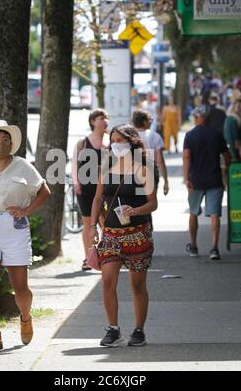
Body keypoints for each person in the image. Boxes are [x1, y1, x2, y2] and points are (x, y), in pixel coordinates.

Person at [0, 120, 51, 351]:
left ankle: (25, 317)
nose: (1, 142)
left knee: (20, 285)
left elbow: (45, 191)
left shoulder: (23, 166)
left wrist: (27, 211)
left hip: (15, 227)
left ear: (12, 143)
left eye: (6, 139)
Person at [89, 124, 157, 347]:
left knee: (137, 285)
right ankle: (113, 329)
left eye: (121, 140)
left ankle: (139, 330)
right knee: (107, 280)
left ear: (132, 141)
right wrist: (92, 225)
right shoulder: (105, 167)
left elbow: (152, 203)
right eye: (114, 140)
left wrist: (135, 211)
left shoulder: (143, 168)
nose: (117, 144)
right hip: (110, 234)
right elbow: (98, 198)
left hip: (138, 234)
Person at [183, 107, 231, 261]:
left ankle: (193, 245)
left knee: (193, 212)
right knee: (215, 214)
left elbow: (186, 157)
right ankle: (214, 248)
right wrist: (225, 169)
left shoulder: (190, 135)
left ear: (197, 117)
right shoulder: (217, 135)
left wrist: (186, 178)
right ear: (208, 118)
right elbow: (226, 156)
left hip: (195, 181)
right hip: (215, 179)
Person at [72, 109, 110, 270]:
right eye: (101, 118)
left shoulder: (111, 142)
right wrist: (76, 183)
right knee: (88, 222)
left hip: (106, 188)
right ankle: (88, 258)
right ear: (93, 121)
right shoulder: (82, 143)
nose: (105, 121)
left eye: (106, 118)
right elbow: (74, 164)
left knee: (106, 222)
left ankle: (108, 256)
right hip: (86, 188)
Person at [132, 109, 169, 195]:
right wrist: (166, 181)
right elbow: (160, 161)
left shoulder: (129, 136)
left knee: (136, 202)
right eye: (150, 120)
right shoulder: (155, 136)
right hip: (151, 173)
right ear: (145, 122)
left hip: (133, 175)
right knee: (150, 202)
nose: (151, 122)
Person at [224, 94, 241, 162]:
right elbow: (232, 139)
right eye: (237, 103)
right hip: (236, 155)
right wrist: (236, 154)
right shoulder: (231, 119)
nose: (239, 105)